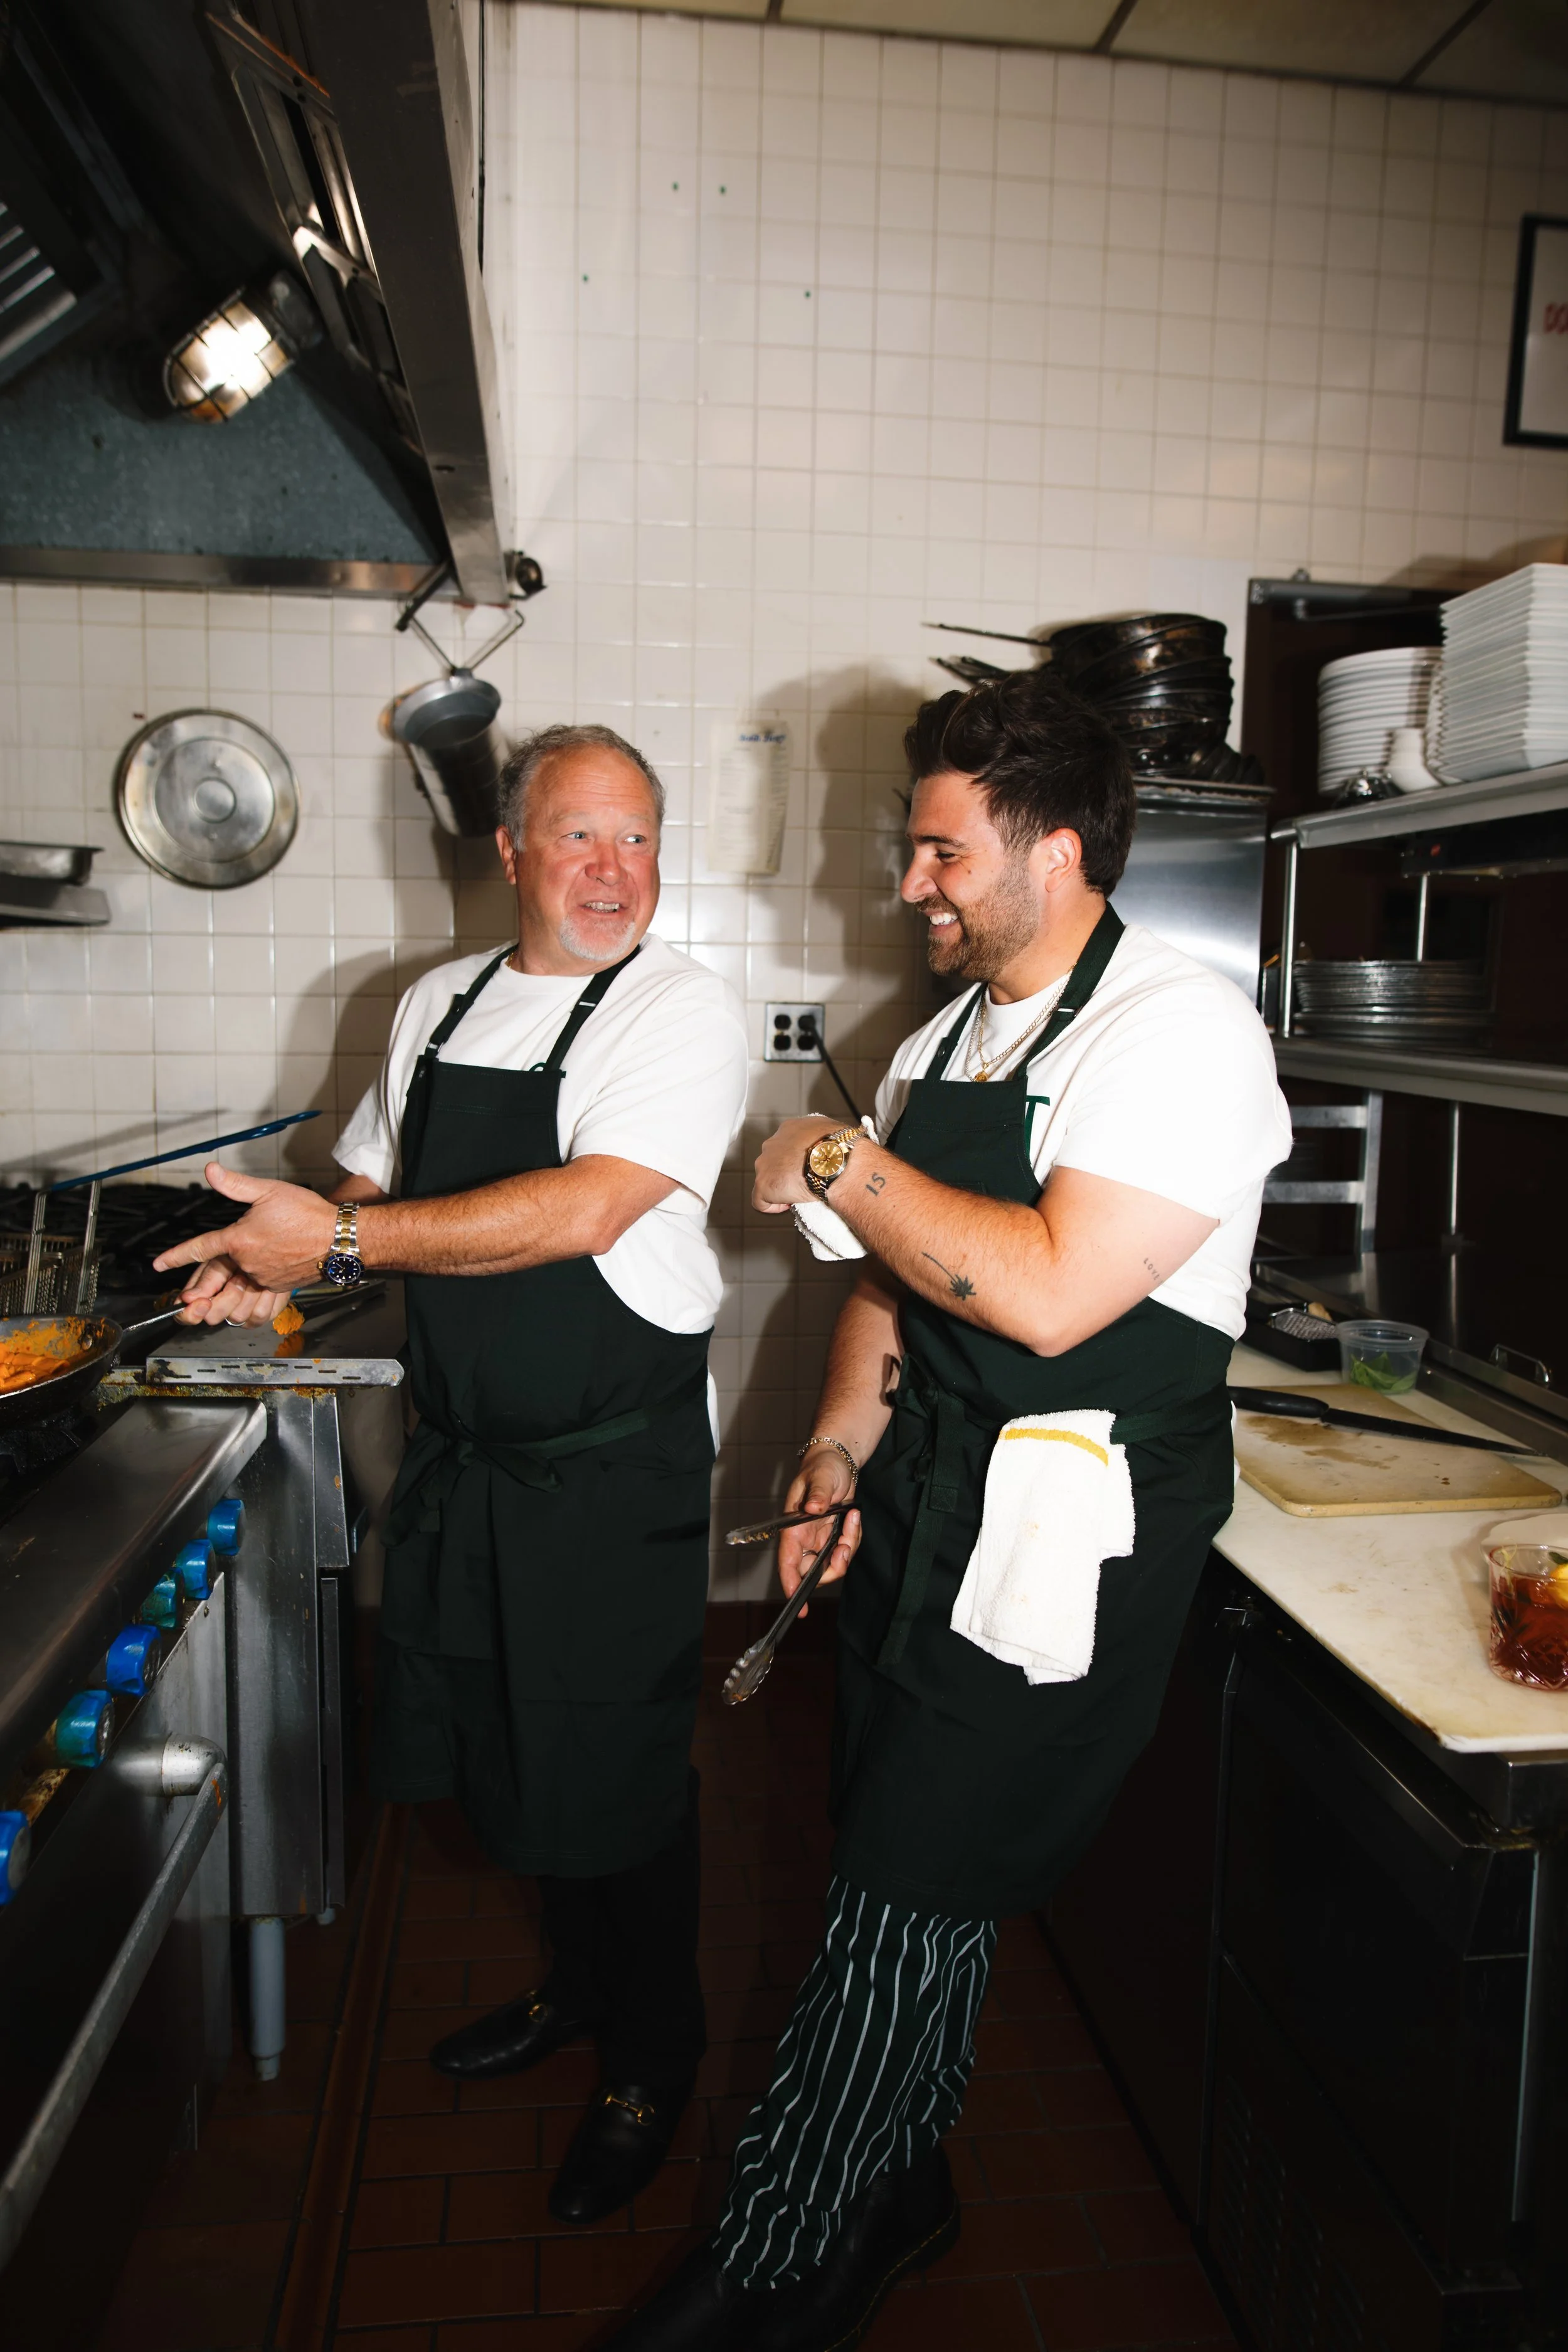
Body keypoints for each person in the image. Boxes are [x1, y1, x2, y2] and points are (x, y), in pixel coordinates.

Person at [603, 670, 1291, 2349]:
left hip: (1062, 1540)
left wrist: (829, 1160)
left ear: (1054, 849)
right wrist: (840, 1444)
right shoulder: (938, 1038)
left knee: (904, 1880)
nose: (909, 883)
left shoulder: (1178, 1033)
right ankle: (900, 2181)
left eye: (937, 851)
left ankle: (766, 2257)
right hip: (926, 1507)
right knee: (908, 1855)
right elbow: (895, 1297)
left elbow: (1049, 1293)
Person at [154, 723, 749, 2225]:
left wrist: (336, 1245)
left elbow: (584, 1209)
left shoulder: (679, 1012)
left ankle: (653, 2055)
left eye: (636, 838)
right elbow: (370, 1175)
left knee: (618, 1768)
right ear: (510, 851)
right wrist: (269, 1254)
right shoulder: (439, 1000)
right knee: (507, 1742)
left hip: (611, 1477)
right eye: (577, 837)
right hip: (470, 1463)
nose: (613, 873)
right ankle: (573, 1988)